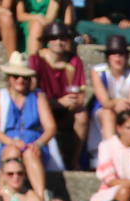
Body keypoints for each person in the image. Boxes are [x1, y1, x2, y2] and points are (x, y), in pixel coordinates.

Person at [29, 22, 87, 171]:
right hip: (44, 111)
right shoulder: (36, 61)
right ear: (47, 41)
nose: (59, 42)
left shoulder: (74, 61)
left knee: (82, 115)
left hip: (66, 111)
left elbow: (81, 94)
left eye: (63, 38)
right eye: (54, 38)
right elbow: (33, 95)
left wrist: (74, 102)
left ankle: (74, 161)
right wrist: (58, 102)